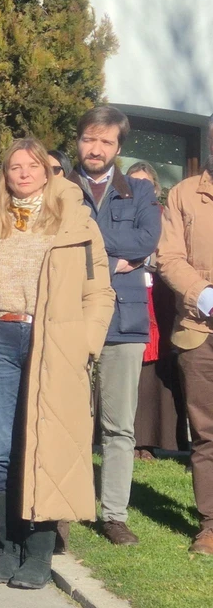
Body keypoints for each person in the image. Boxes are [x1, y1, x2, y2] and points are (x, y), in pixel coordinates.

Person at [0, 138, 114, 589]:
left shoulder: (75, 223)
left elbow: (99, 291)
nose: (23, 174)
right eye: (13, 167)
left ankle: (39, 554)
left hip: (53, 342)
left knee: (45, 447)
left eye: (32, 166)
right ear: (4, 175)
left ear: (48, 171)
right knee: (1, 447)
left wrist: (84, 344)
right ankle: (8, 549)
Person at [71, 106, 162, 547]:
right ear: (79, 141)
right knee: (65, 420)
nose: (97, 148)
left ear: (118, 148)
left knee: (118, 427)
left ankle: (114, 515)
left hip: (124, 323)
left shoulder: (140, 192)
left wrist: (92, 250)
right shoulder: (60, 189)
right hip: (68, 318)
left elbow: (147, 241)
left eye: (106, 142)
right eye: (90, 138)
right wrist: (115, 260)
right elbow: (55, 243)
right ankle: (62, 510)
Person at [155, 113, 213, 556]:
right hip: (200, 327)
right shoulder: (183, 194)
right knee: (207, 433)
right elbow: (168, 256)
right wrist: (204, 295)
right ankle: (211, 524)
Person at [126, 162, 185, 458]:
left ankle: (161, 440)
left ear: (156, 189)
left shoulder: (166, 218)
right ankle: (130, 439)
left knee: (158, 371)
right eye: (133, 183)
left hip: (160, 299)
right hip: (127, 298)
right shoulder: (120, 216)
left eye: (146, 184)